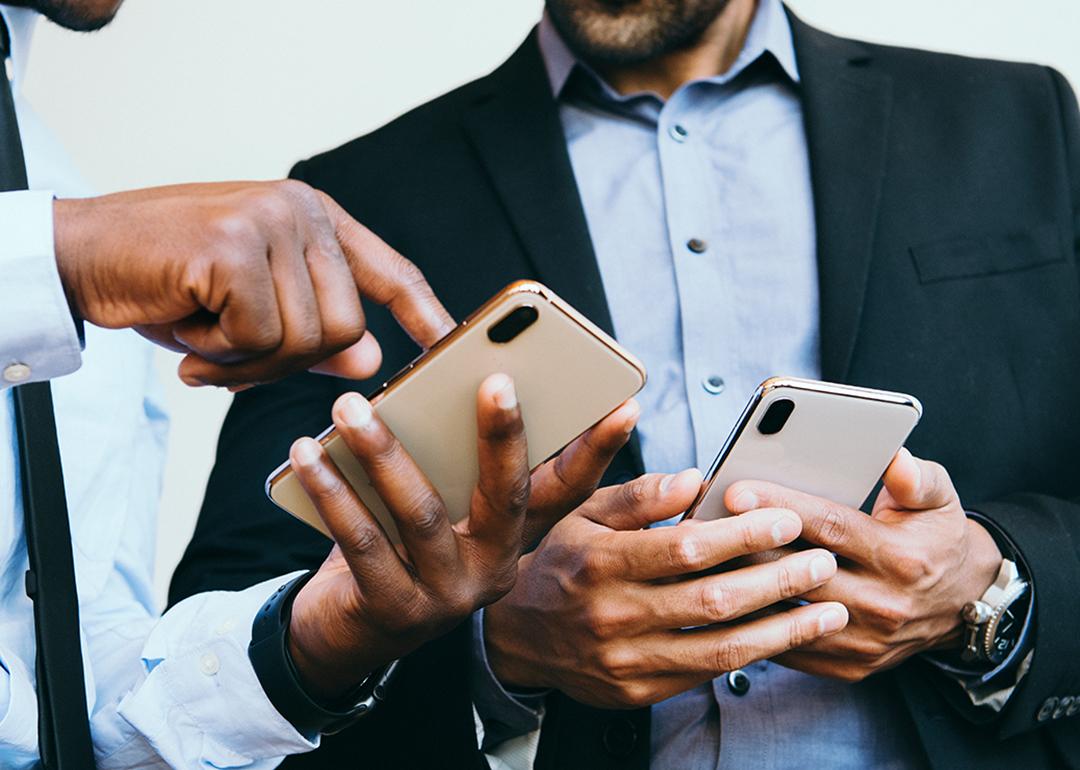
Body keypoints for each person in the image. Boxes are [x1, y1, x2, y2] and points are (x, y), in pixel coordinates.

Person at [172, 0, 1080, 768]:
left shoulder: (1023, 121)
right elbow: (234, 617)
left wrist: (996, 587)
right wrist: (499, 644)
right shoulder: (358, 195)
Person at [0, 1, 633, 767]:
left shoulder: (53, 176)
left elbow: (82, 702)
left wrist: (322, 638)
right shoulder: (82, 237)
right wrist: (53, 259)